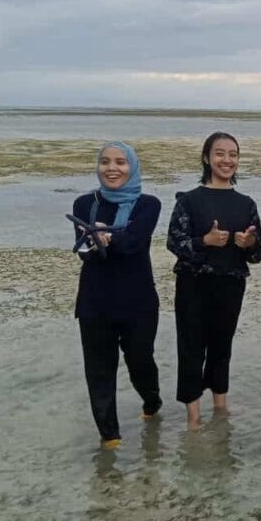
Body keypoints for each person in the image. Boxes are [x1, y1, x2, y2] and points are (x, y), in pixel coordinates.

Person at [167, 132, 261, 429]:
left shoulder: (246, 203)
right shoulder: (189, 200)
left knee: (222, 346)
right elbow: (173, 242)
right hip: (193, 284)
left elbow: (257, 255)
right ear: (207, 158)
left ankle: (221, 408)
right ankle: (193, 417)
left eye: (233, 154)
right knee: (191, 347)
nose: (227, 160)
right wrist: (204, 241)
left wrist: (248, 244)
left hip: (231, 285)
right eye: (220, 153)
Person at [73, 142, 162, 449]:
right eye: (105, 162)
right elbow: (85, 253)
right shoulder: (84, 204)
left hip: (138, 303)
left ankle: (152, 402)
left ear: (133, 167)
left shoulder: (148, 204)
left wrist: (107, 238)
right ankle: (109, 439)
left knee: (141, 363)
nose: (112, 168)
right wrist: (96, 242)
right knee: (98, 373)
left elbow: (135, 243)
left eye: (121, 162)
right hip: (94, 304)